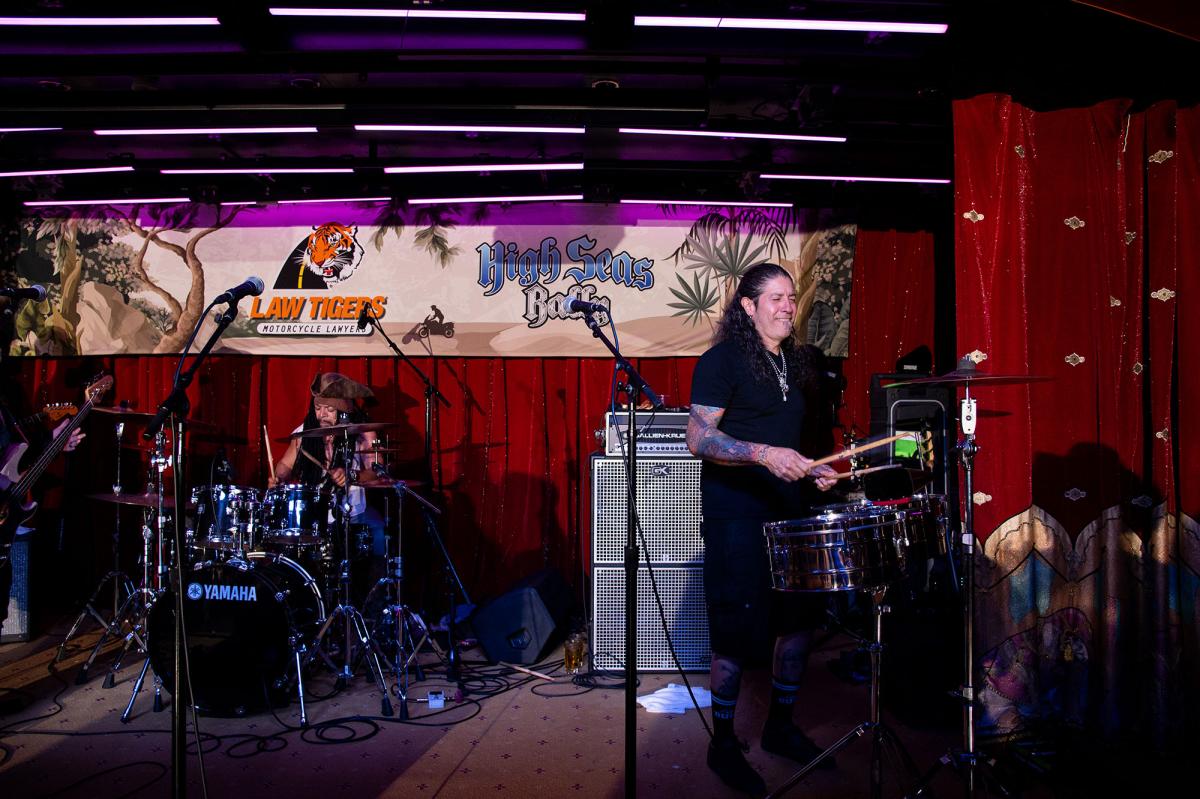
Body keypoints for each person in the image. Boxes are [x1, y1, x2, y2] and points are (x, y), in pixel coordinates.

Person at [687, 262, 839, 794]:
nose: (787, 307)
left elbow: (787, 443)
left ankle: (780, 726)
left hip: (789, 513)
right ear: (748, 307)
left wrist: (811, 469)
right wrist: (763, 454)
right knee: (734, 634)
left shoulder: (796, 363)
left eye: (791, 298)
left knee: (798, 623)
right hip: (736, 514)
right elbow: (699, 439)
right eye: (775, 298)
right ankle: (723, 744)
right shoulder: (722, 360)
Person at [269, 373, 387, 584]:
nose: (322, 414)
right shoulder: (304, 433)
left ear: (343, 411)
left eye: (329, 409)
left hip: (353, 512)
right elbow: (285, 465)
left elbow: (377, 471)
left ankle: (373, 594)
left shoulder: (363, 433)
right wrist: (278, 478)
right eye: (318, 408)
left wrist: (352, 475)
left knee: (378, 535)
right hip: (313, 516)